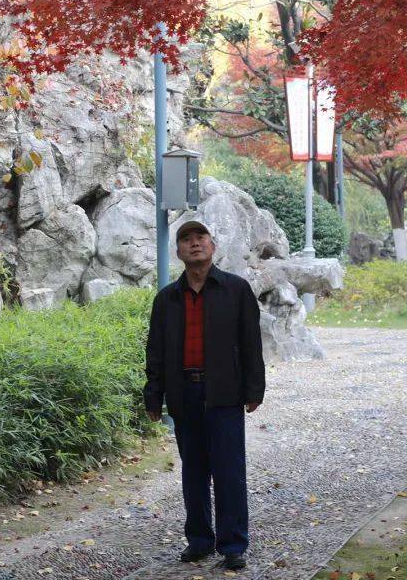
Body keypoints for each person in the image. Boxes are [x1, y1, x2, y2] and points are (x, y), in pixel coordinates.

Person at [143, 219, 266, 571]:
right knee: (193, 471)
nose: (194, 244)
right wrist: (154, 395)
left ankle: (233, 545)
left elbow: (250, 344)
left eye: (201, 238)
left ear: (212, 246)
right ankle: (199, 540)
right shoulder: (167, 299)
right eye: (186, 240)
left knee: (229, 471)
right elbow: (156, 351)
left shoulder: (235, 289)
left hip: (225, 393)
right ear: (178, 251)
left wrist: (254, 389)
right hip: (184, 393)